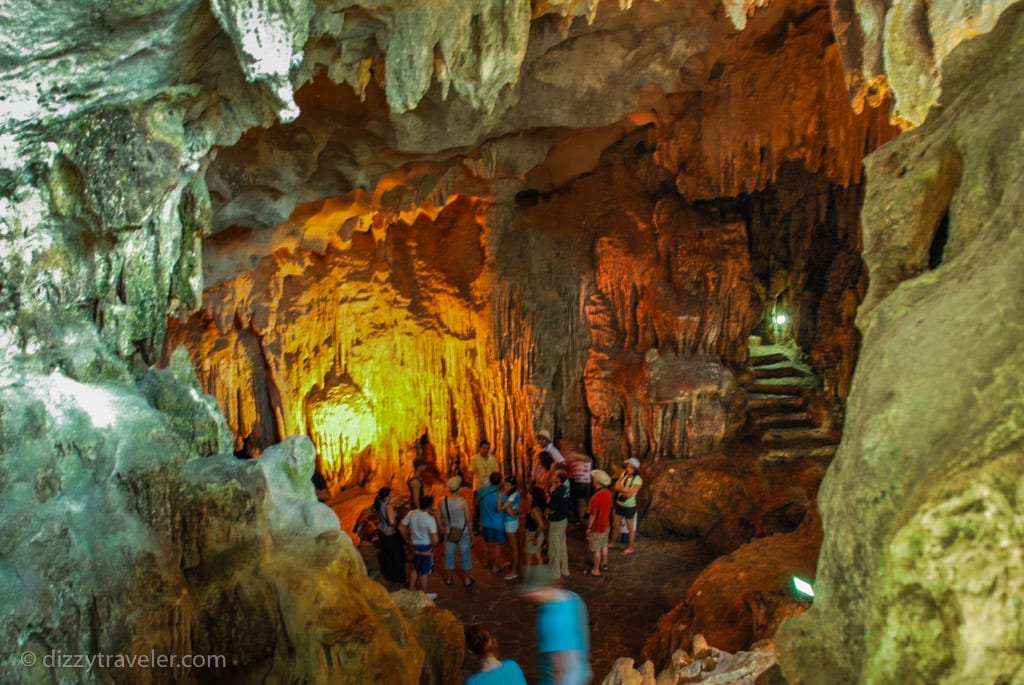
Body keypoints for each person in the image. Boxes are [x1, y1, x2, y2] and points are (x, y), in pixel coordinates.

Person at [519, 565, 592, 685]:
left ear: (539, 591)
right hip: (581, 671)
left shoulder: (550, 620)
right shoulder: (572, 597)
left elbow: (559, 669)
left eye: (530, 591)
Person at [399, 494, 439, 599]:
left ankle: (411, 589)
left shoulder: (411, 513)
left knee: (415, 568)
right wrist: (434, 545)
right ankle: (424, 595)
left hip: (415, 546)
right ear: (430, 506)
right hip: (426, 547)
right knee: (424, 572)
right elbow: (435, 539)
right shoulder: (430, 519)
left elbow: (400, 527)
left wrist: (407, 539)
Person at [440, 476, 475, 587]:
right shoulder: (463, 502)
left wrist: (442, 527)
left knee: (449, 554)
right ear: (459, 488)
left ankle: (449, 579)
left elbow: (439, 516)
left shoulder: (442, 502)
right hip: (463, 531)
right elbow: (468, 520)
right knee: (465, 554)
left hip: (449, 532)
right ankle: (467, 579)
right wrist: (472, 533)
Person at [610, 458, 642, 555]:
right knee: (615, 525)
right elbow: (615, 487)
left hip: (629, 506)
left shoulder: (638, 479)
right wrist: (625, 489)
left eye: (631, 467)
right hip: (619, 504)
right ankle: (613, 542)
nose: (628, 469)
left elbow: (630, 495)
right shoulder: (623, 474)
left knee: (630, 528)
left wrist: (621, 488)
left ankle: (630, 547)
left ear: (635, 469)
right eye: (627, 466)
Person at [584, 470, 612, 577]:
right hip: (606, 525)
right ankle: (604, 564)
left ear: (597, 481)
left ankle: (596, 570)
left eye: (594, 478)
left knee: (596, 550)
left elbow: (592, 515)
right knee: (604, 545)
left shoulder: (595, 498)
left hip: (597, 527)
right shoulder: (608, 493)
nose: (592, 480)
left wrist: (589, 528)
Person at [375, 487, 406, 584]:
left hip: (382, 532)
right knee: (397, 556)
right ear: (386, 497)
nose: (392, 495)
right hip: (390, 534)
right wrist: (397, 525)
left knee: (387, 556)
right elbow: (391, 521)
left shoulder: (379, 503)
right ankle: (399, 578)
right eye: (390, 494)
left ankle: (389, 576)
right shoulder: (389, 506)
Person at [476, 472, 506, 572]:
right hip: (498, 523)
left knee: (486, 542)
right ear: (500, 481)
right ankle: (495, 567)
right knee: (496, 545)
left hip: (484, 521)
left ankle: (484, 561)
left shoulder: (481, 492)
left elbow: (477, 501)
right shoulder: (501, 494)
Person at [469, 439, 499, 533]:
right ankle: (476, 528)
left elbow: (496, 471)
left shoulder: (493, 459)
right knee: (477, 506)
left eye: (487, 448)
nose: (486, 450)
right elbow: (470, 471)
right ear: (480, 448)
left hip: (490, 487)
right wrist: (474, 471)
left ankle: (489, 525)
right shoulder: (474, 459)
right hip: (478, 486)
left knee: (490, 505)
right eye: (484, 447)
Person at [546, 471, 571, 577]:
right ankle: (564, 569)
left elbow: (550, 509)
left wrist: (549, 497)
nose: (553, 477)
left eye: (555, 476)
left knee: (554, 547)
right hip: (563, 520)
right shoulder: (565, 490)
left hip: (556, 522)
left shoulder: (558, 492)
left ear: (559, 480)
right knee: (562, 545)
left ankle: (555, 572)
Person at [499, 476, 521, 580]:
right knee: (513, 546)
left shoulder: (512, 496)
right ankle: (513, 563)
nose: (505, 487)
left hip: (510, 523)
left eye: (507, 485)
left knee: (514, 547)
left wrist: (500, 497)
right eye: (504, 484)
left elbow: (500, 508)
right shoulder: (515, 493)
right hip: (513, 521)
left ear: (513, 486)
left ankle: (514, 571)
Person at [525, 486, 547, 574]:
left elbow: (541, 525)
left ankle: (527, 581)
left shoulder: (534, 509)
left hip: (533, 534)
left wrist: (534, 537)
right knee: (538, 557)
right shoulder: (538, 506)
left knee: (529, 561)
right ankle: (542, 577)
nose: (527, 494)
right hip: (537, 535)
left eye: (529, 493)